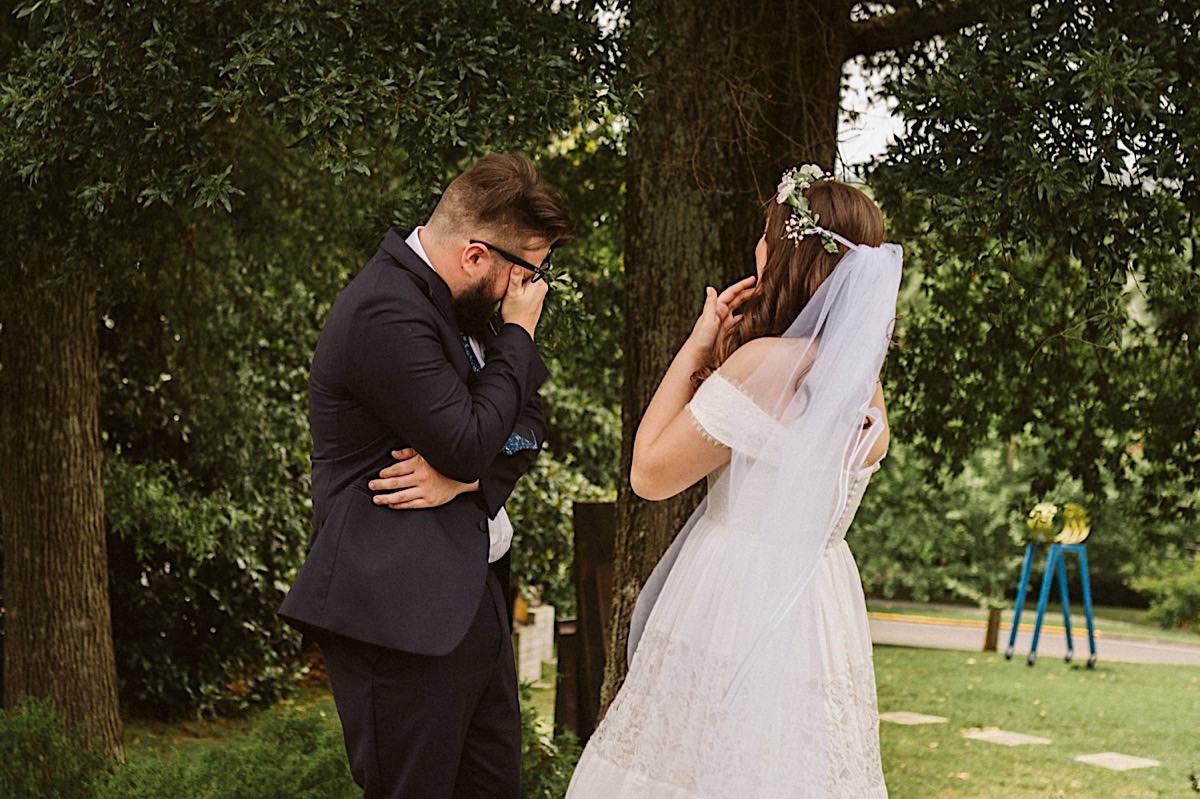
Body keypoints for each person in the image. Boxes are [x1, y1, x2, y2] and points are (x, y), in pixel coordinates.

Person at [565, 165, 902, 798]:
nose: (758, 245)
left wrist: (695, 350)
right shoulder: (865, 384)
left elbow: (649, 474)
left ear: (785, 252)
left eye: (767, 232)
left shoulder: (765, 364)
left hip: (731, 593)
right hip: (819, 604)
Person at [279, 153, 573, 799]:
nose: (532, 292)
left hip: (474, 599)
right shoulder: (385, 311)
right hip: (398, 617)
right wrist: (518, 338)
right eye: (526, 273)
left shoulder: (469, 312)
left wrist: (467, 481)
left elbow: (529, 420)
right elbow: (472, 438)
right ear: (475, 256)